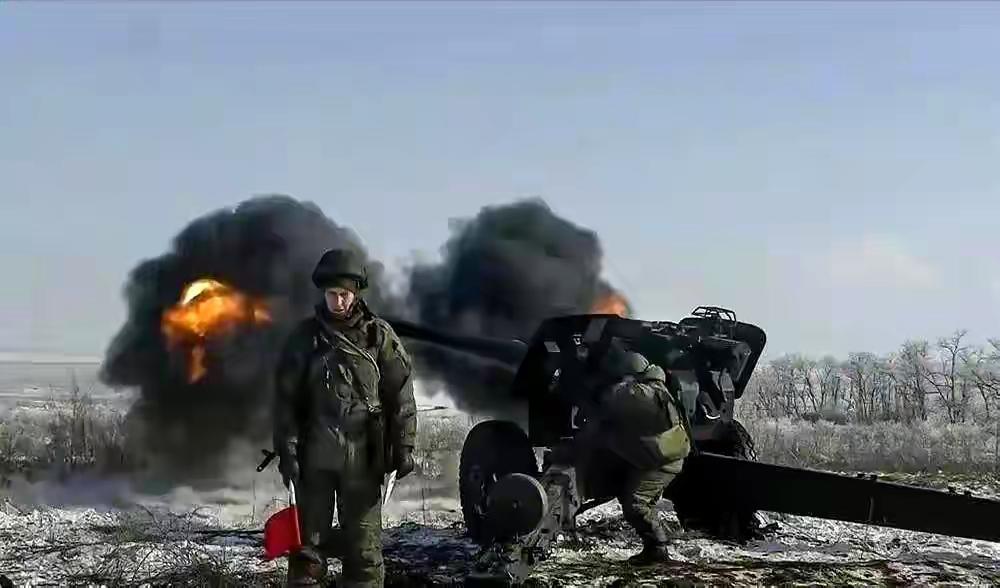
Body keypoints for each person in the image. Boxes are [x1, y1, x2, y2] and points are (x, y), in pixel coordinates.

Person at [273, 248, 417, 587]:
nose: (337, 302)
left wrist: (404, 446)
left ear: (356, 294)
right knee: (307, 554)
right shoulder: (305, 339)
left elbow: (401, 395)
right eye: (332, 294)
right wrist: (287, 451)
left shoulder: (378, 337)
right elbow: (286, 401)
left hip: (364, 461)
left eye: (344, 295)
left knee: (364, 554)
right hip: (315, 461)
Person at [581, 343, 692, 565]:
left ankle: (657, 548)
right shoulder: (658, 389)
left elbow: (613, 398)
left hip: (661, 462)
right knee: (634, 498)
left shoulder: (643, 394)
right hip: (658, 455)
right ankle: (657, 541)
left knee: (636, 504)